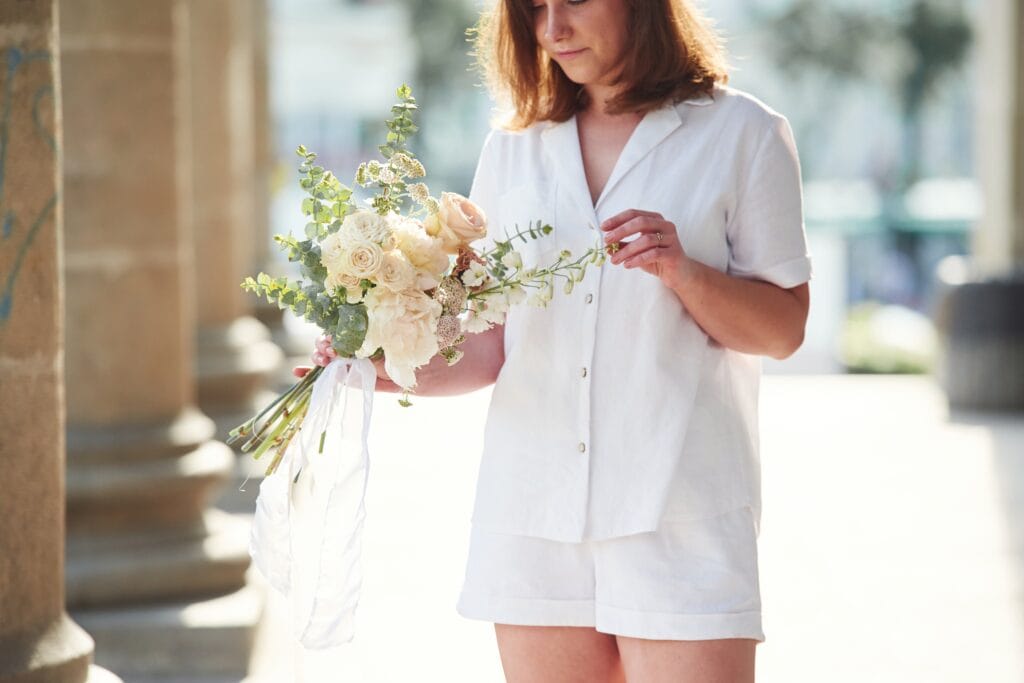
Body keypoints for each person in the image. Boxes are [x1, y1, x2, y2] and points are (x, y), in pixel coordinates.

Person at [299, 0, 812, 679]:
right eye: (534, 9)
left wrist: (682, 272)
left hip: (680, 512)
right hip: (532, 512)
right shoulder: (512, 147)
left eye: (571, 1)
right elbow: (489, 346)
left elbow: (783, 329)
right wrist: (381, 363)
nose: (552, 30)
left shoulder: (743, 133)